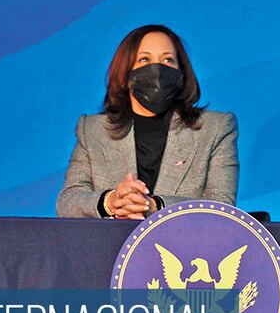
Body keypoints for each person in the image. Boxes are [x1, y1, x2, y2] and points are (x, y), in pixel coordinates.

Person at [56, 25, 238, 219]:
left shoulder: (216, 128)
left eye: (168, 60)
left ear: (181, 74)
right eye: (145, 59)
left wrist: (154, 206)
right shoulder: (92, 130)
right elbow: (67, 202)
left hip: (185, 247)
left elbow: (221, 205)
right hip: (109, 246)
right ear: (125, 74)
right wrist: (112, 202)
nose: (157, 70)